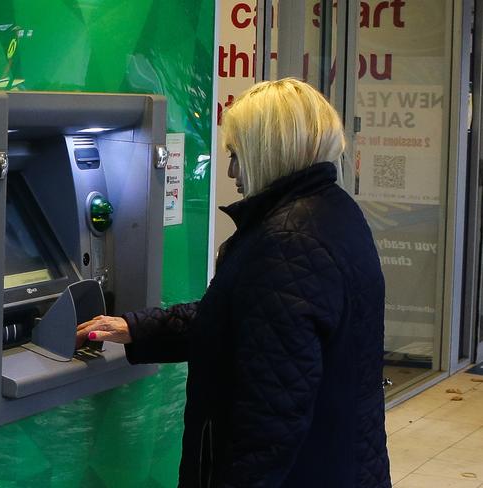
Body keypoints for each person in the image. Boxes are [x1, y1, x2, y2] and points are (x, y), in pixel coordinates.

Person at [77, 78, 391, 488]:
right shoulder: (334, 213)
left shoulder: (286, 243)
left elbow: (271, 419)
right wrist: (134, 328)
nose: (230, 171)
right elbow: (243, 319)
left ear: (268, 152)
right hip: (339, 461)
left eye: (236, 155)